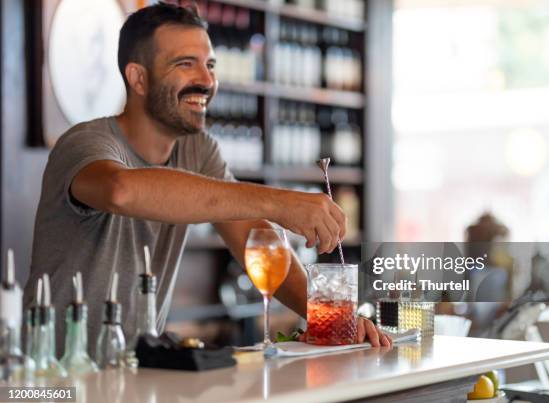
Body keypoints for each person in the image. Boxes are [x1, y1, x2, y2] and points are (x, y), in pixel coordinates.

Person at [23, 3, 390, 356]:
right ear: (138, 78)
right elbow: (122, 190)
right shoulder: (85, 143)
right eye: (186, 64)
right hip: (54, 377)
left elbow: (255, 240)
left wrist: (330, 319)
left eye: (210, 65)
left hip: (135, 373)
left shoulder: (197, 150)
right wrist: (280, 201)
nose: (207, 81)